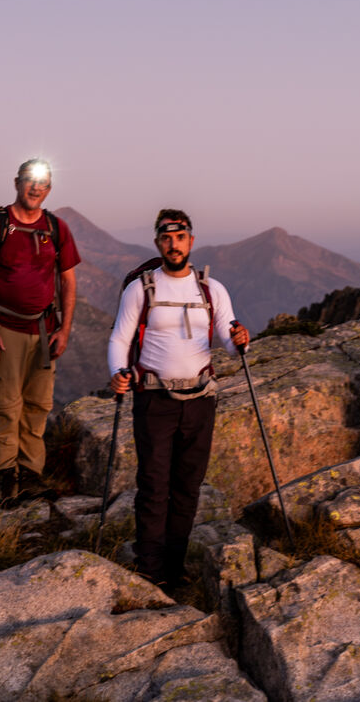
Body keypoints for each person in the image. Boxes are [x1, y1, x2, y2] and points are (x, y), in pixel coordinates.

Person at [106, 209, 249, 588]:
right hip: (155, 399)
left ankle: (174, 566)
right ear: (157, 242)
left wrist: (240, 341)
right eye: (167, 238)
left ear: (191, 241)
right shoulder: (141, 289)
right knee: (154, 485)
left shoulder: (212, 290)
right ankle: (150, 570)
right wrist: (118, 371)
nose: (174, 244)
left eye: (180, 237)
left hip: (200, 399)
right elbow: (120, 337)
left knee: (187, 486)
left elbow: (228, 338)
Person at [0, 158, 80, 505]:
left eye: (42, 183)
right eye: (30, 180)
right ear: (17, 183)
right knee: (5, 403)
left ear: (49, 189)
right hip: (6, 328)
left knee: (38, 404)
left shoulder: (56, 228)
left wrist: (64, 329)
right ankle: (6, 476)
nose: (35, 188)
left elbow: (68, 281)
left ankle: (30, 474)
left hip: (45, 330)